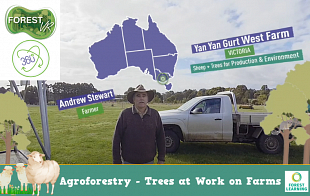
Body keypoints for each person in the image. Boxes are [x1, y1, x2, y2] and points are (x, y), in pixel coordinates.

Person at [112, 84, 166, 164]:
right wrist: (117, 162)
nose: (141, 98)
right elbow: (116, 139)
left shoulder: (155, 115)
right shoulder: (125, 114)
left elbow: (161, 138)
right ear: (134, 99)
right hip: (128, 163)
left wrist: (161, 159)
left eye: (144, 96)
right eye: (138, 96)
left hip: (149, 162)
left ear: (147, 99)